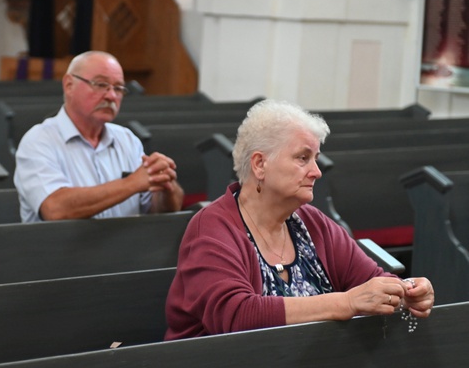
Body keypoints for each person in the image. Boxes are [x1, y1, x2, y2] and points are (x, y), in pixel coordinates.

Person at [164, 99, 435, 338]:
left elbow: (371, 280)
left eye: (315, 159)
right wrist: (347, 303)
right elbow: (235, 316)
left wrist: (408, 293)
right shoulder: (212, 228)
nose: (316, 171)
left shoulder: (312, 223)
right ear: (260, 164)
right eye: (303, 158)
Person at [14, 50, 184, 222]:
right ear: (69, 85)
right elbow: (55, 209)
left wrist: (165, 186)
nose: (111, 96)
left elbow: (158, 211)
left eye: (118, 88)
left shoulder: (127, 140)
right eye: (101, 84)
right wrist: (132, 183)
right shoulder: (39, 141)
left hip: (127, 247)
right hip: (63, 248)